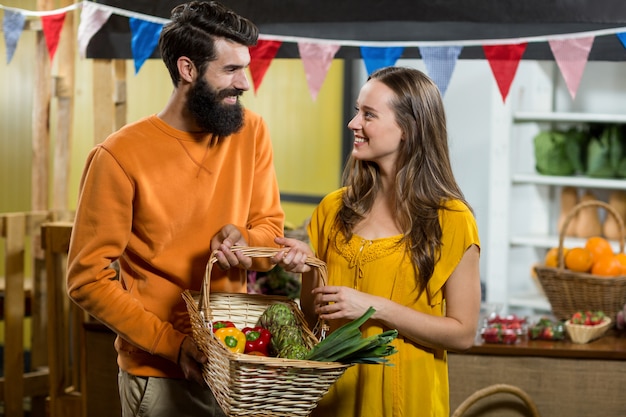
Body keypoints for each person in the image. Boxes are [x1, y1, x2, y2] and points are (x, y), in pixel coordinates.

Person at [66, 2, 285, 416]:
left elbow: (269, 231)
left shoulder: (250, 131)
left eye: (246, 68)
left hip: (233, 361)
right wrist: (173, 344)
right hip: (159, 373)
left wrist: (246, 240)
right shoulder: (118, 155)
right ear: (188, 70)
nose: (244, 83)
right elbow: (86, 279)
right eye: (231, 70)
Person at [275, 66, 481, 417]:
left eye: (368, 114)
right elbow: (313, 319)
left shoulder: (452, 219)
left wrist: (373, 308)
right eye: (358, 111)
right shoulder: (332, 209)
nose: (354, 123)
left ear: (408, 130)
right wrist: (309, 266)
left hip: (406, 402)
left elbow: (462, 333)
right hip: (332, 399)